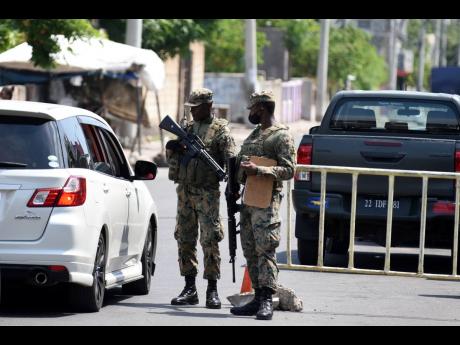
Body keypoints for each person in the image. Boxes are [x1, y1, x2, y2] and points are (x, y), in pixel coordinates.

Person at [165, 88, 236, 309]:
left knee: (209, 239)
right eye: (191, 108)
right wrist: (173, 147)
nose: (193, 111)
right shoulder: (186, 128)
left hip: (207, 192)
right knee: (185, 237)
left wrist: (233, 184)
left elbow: (231, 157)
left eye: (196, 107)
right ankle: (189, 288)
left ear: (208, 106)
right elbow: (173, 160)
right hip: (185, 191)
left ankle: (212, 289)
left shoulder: (221, 130)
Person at [230, 90, 296, 320]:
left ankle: (267, 299)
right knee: (249, 248)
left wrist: (260, 170)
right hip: (249, 200)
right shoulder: (255, 135)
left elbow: (289, 169)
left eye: (253, 109)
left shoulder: (281, 136)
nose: (250, 113)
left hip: (267, 202)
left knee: (265, 249)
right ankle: (257, 297)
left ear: (262, 108)